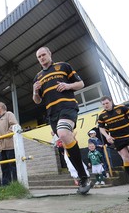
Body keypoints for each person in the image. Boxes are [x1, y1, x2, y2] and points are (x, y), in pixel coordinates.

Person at [33, 46, 91, 194]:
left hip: (67, 106)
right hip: (52, 114)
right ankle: (83, 177)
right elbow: (37, 101)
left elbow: (81, 83)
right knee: (66, 141)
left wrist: (68, 85)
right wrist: (35, 91)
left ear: (49, 54)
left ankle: (84, 177)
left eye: (43, 54)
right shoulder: (38, 77)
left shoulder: (63, 66)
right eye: (39, 57)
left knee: (64, 134)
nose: (42, 58)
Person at [0, 101, 18, 186]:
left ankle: (16, 184)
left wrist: (6, 135)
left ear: (0, 107)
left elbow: (14, 125)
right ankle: (6, 186)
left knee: (13, 166)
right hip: (1, 148)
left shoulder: (9, 114)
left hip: (10, 146)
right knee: (4, 168)